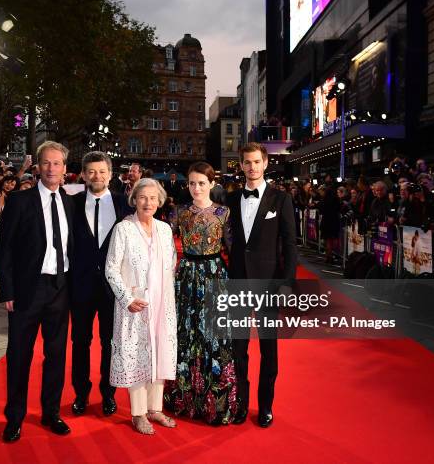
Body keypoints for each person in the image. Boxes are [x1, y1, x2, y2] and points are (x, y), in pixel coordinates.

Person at [0, 141, 75, 442]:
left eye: (57, 163)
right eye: (46, 162)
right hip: (28, 290)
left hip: (60, 287)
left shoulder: (71, 203)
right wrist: (7, 291)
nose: (51, 168)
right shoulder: (20, 201)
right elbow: (4, 250)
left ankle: (51, 412)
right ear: (37, 166)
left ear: (65, 169)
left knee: (56, 355)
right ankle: (14, 417)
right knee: (19, 355)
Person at [227, 142, 297, 427]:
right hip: (239, 282)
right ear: (241, 165)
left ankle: (265, 406)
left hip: (269, 285)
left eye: (256, 162)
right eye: (247, 162)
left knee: (269, 349)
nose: (252, 167)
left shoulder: (281, 199)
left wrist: (288, 283)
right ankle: (241, 405)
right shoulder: (231, 200)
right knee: (238, 348)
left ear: (265, 163)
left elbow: (291, 244)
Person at [163, 162, 237, 425]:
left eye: (201, 183)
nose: (196, 188)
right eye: (192, 183)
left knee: (214, 336)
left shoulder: (224, 213)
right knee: (187, 333)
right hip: (186, 277)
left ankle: (215, 403)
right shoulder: (179, 213)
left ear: (212, 184)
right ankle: (185, 398)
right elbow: (163, 245)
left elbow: (232, 249)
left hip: (215, 274)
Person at [105, 178, 177, 435]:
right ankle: (138, 413)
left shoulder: (165, 229)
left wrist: (166, 295)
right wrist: (126, 298)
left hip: (161, 303)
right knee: (136, 354)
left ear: (159, 202)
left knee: (160, 351)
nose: (148, 202)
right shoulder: (123, 229)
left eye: (153, 198)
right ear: (134, 200)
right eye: (143, 197)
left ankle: (155, 408)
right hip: (134, 305)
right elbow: (111, 268)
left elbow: (171, 264)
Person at [70, 151, 129, 417]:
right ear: (83, 175)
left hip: (112, 289)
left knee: (111, 343)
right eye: (91, 171)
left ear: (110, 174)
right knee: (80, 342)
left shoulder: (123, 204)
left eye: (102, 171)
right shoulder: (71, 203)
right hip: (79, 286)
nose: (97, 176)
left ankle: (109, 394)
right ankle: (80, 394)